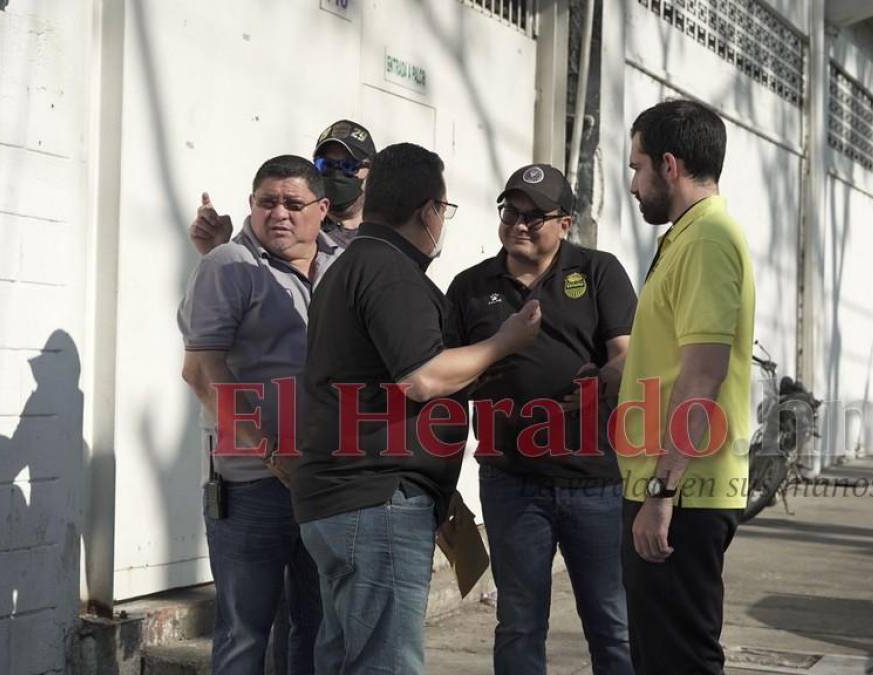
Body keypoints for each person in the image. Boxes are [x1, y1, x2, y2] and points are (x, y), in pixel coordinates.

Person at [292, 142, 541, 674]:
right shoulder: (389, 272)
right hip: (376, 503)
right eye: (444, 211)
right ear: (428, 210)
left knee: (345, 661)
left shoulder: (348, 268)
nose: (442, 223)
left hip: (343, 500)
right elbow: (422, 376)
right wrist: (505, 342)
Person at [445, 164, 636, 674]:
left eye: (536, 215)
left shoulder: (599, 272)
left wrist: (600, 384)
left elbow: (628, 355)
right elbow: (447, 379)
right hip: (511, 481)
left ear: (566, 224)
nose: (520, 223)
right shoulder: (470, 286)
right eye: (511, 211)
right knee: (519, 623)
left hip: (593, 481)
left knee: (611, 623)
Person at [178, 155, 342, 674]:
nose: (280, 214)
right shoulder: (228, 266)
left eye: (294, 204)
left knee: (317, 630)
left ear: (322, 210)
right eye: (267, 202)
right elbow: (203, 373)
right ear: (251, 205)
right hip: (252, 484)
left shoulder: (344, 264)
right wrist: (274, 455)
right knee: (245, 634)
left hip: (326, 478)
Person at [615, 99, 756, 674]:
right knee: (657, 656)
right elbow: (676, 359)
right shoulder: (686, 237)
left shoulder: (705, 241)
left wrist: (661, 495)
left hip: (682, 490)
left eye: (637, 166)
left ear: (668, 166)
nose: (633, 183)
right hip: (670, 484)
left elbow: (702, 374)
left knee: (679, 661)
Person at [189, 119, 376, 253]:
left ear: (372, 171)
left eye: (348, 166)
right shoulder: (291, 224)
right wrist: (217, 250)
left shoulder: (382, 235)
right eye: (325, 165)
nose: (336, 173)